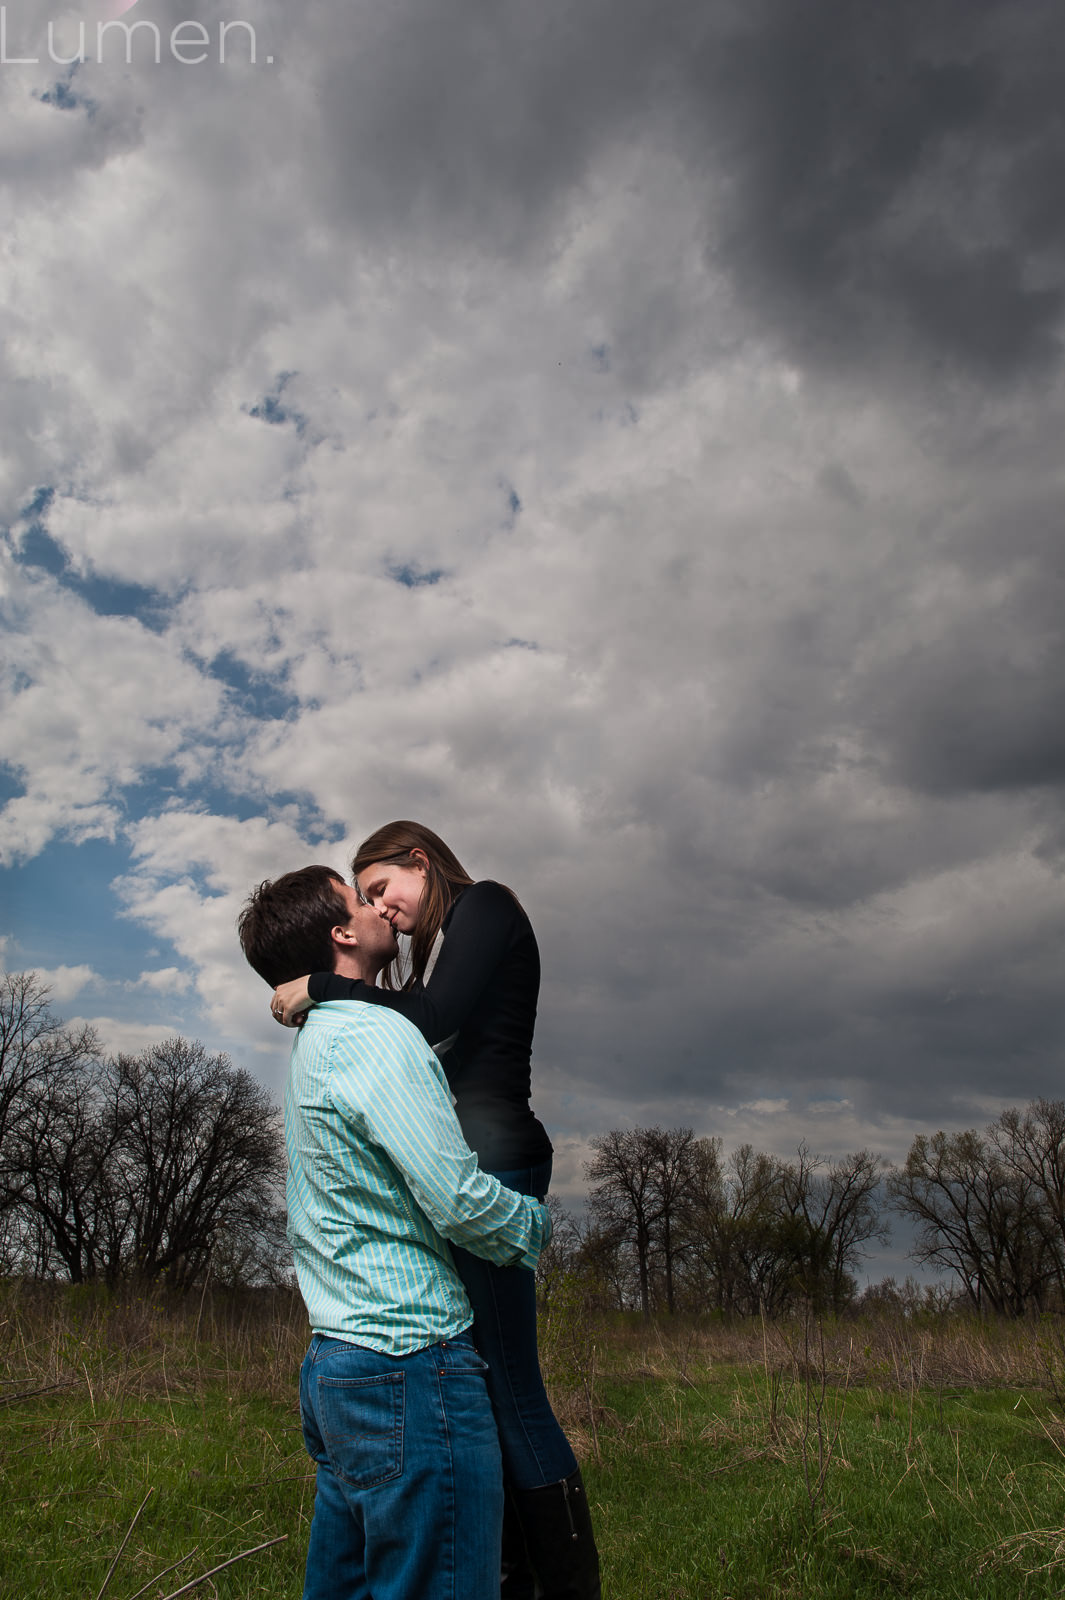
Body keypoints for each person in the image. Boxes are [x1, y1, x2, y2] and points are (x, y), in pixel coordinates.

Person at [270, 822, 601, 1600]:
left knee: (510, 1394)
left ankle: (557, 1584)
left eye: (385, 887)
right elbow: (414, 1035)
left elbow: (423, 1019)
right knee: (488, 1390)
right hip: (478, 1163)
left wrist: (319, 986)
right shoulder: (442, 944)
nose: (384, 907)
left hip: (499, 1161)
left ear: (420, 860)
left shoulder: (484, 905)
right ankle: (507, 1571)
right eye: (369, 898)